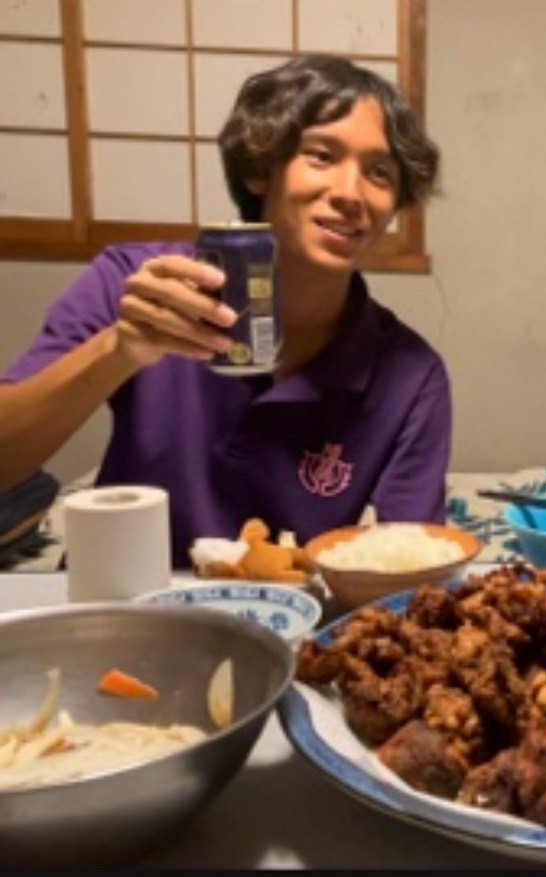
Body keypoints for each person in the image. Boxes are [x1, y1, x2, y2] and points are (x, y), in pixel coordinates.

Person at [0, 54, 450, 568]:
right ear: (261, 170)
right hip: (116, 600)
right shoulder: (139, 284)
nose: (351, 194)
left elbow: (419, 565)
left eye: (379, 172)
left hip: (285, 606)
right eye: (321, 156)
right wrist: (119, 349)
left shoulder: (412, 374)